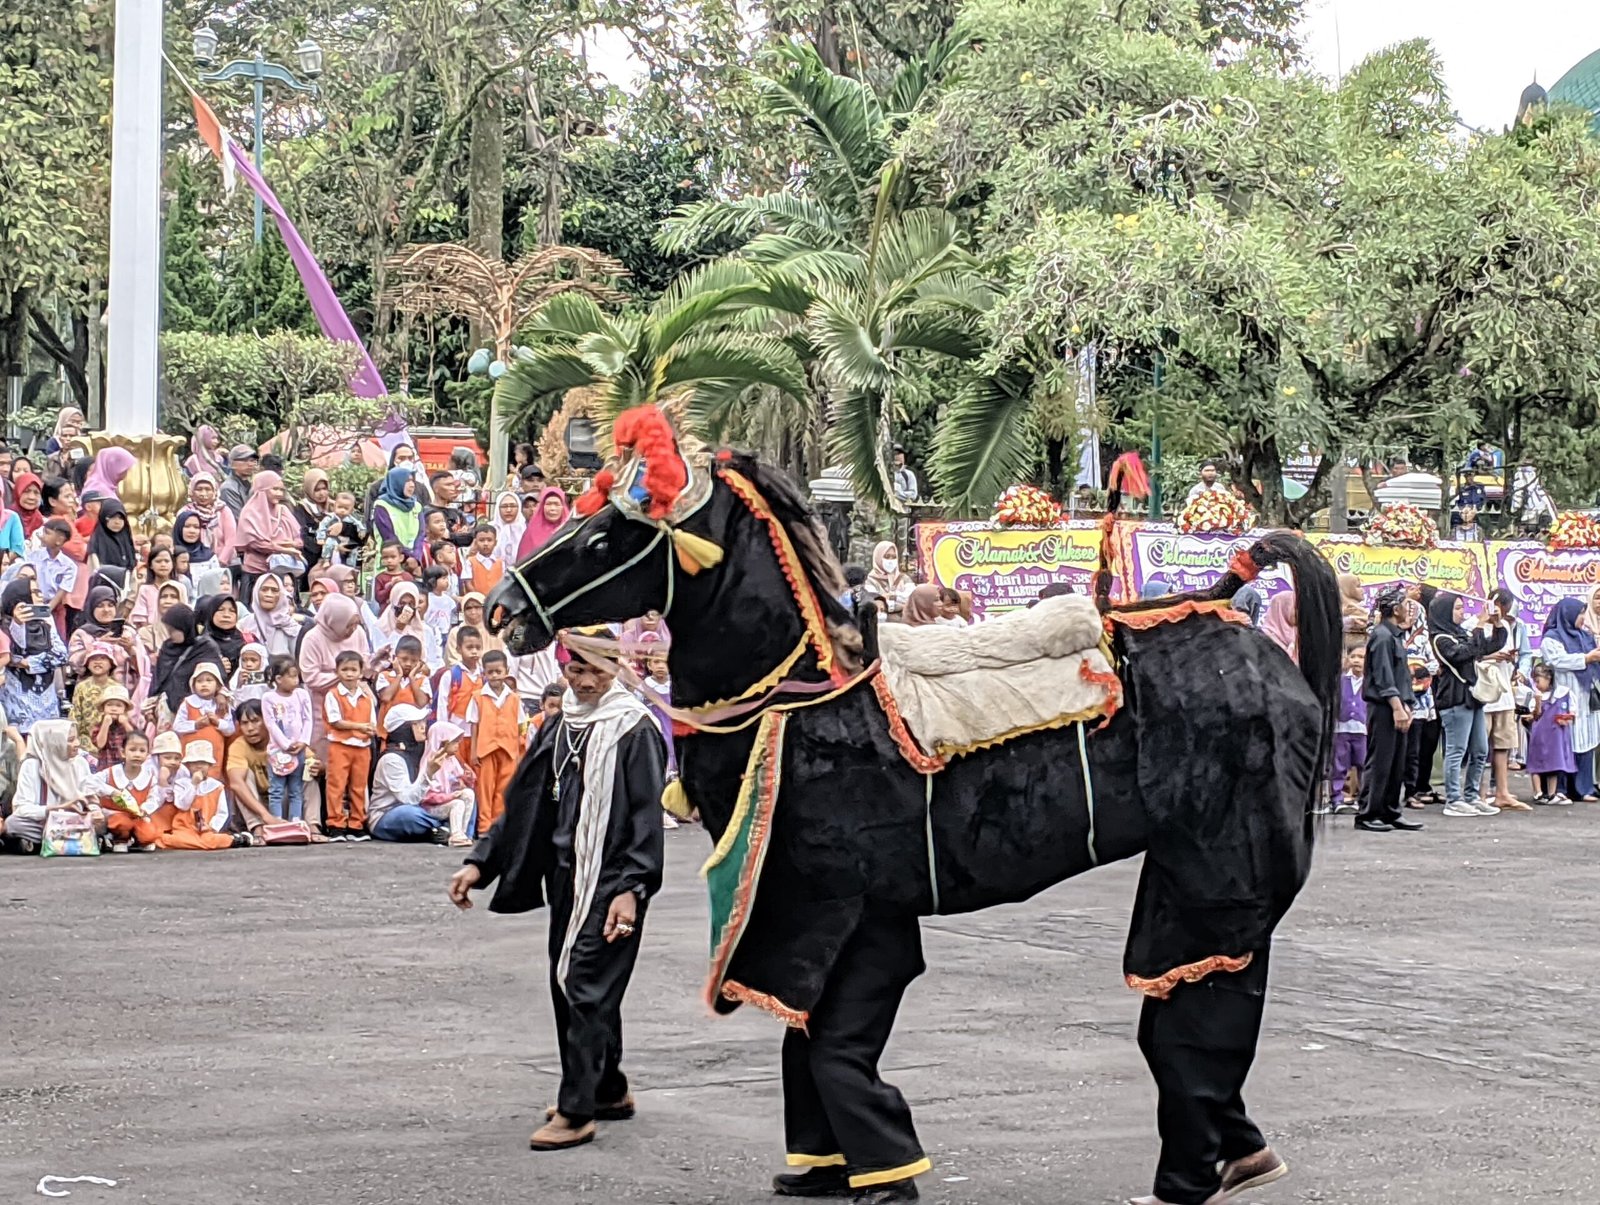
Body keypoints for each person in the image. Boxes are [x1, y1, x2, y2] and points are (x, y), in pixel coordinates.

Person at [448, 652, 666, 1153]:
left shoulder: (634, 729)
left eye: (598, 673)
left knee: (584, 985)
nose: (587, 682)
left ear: (617, 674)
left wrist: (632, 890)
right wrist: (481, 863)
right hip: (566, 877)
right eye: (577, 672)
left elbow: (644, 817)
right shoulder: (561, 722)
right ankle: (607, 1088)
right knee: (570, 983)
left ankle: (576, 1112)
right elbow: (525, 803)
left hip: (610, 881)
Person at [1429, 591, 1507, 818]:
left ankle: (1472, 796)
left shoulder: (1461, 633)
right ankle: (1454, 799)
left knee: (1481, 750)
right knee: (1456, 751)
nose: (1463, 612)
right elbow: (1463, 654)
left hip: (1473, 698)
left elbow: (1487, 647)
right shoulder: (1441, 639)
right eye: (1457, 608)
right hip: (1454, 700)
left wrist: (1497, 624)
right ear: (1445, 612)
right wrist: (1480, 625)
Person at [1355, 587, 1421, 833]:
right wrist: (1396, 705)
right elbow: (1383, 677)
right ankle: (1368, 812)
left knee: (1396, 762)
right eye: (1405, 604)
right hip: (1384, 707)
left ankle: (1390, 810)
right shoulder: (1382, 636)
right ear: (1395, 609)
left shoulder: (1394, 636)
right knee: (1381, 760)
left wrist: (1406, 704)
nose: (1408, 608)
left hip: (1398, 705)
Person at [369, 706, 474, 845]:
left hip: (419, 806)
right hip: (387, 814)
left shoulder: (420, 750)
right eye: (416, 723)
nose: (422, 727)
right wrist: (429, 773)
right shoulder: (391, 760)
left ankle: (459, 833)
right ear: (404, 729)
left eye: (422, 722)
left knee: (467, 795)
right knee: (408, 814)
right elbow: (408, 799)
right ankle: (442, 828)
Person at [1538, 597, 1600, 802]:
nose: (1582, 618)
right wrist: (1586, 658)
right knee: (1564, 741)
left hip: (1586, 696)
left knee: (1586, 740)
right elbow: (1556, 660)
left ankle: (1585, 788)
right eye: (1580, 613)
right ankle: (1561, 788)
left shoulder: (1584, 636)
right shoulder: (1552, 638)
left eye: (1584, 613)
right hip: (1563, 696)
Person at [297, 594, 371, 766]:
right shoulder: (313, 638)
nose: (353, 628)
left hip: (354, 703)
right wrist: (343, 675)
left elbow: (363, 660)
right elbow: (311, 677)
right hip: (322, 705)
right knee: (325, 759)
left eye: (355, 623)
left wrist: (374, 662)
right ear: (335, 620)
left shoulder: (358, 633)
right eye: (348, 624)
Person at [2, 720, 95, 851]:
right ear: (54, 743)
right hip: (43, 822)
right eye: (70, 740)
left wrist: (94, 810)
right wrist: (56, 809)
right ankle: (76, 840)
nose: (77, 744)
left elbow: (90, 797)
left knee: (104, 819)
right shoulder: (31, 766)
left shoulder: (80, 763)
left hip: (75, 821)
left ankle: (40, 843)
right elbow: (22, 808)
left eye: (76, 739)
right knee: (12, 824)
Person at [0, 578, 69, 737]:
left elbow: (61, 655)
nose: (40, 595)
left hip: (47, 700)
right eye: (34, 592)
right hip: (18, 700)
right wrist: (18, 624)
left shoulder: (45, 621)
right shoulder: (5, 626)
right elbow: (13, 650)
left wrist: (27, 663)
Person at [1479, 589, 1527, 811]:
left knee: (1503, 745)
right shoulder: (1475, 624)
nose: (1503, 614)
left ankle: (1502, 792)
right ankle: (1478, 794)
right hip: (1484, 695)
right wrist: (1491, 656)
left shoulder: (1505, 627)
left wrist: (1509, 659)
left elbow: (1507, 652)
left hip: (1504, 693)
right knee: (1479, 748)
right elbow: (1469, 653)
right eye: (1500, 607)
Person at [467, 649, 522, 836]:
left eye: (498, 671)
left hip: (508, 749)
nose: (494, 676)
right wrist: (473, 751)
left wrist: (519, 751)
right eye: (490, 672)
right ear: (484, 673)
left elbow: (520, 725)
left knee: (503, 789)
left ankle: (497, 828)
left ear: (506, 671)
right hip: (486, 749)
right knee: (485, 789)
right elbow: (474, 725)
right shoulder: (478, 697)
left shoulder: (514, 698)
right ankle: (484, 827)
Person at [323, 650, 377, 841]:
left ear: (361, 672)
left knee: (359, 786)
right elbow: (335, 720)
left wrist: (369, 730)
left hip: (362, 747)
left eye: (353, 669)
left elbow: (372, 723)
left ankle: (356, 823)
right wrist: (360, 727)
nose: (349, 673)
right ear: (337, 671)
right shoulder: (333, 695)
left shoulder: (367, 698)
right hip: (340, 745)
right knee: (336, 785)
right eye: (344, 669)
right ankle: (335, 823)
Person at [161, 739, 251, 850]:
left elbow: (222, 812)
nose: (199, 766)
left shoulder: (217, 786)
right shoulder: (181, 783)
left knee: (209, 841)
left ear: (209, 765)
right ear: (188, 765)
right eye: (194, 763)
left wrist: (212, 827)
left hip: (206, 829)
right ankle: (225, 841)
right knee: (171, 839)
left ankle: (234, 840)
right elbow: (182, 805)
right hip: (184, 828)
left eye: (203, 763)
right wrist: (193, 785)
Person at [148, 603, 223, 727]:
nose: (170, 634)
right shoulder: (167, 647)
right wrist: (151, 705)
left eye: (173, 630)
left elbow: (218, 676)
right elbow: (159, 679)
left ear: (185, 627)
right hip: (168, 712)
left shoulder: (205, 648)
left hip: (199, 712)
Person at [87, 729, 161, 851]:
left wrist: (146, 808)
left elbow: (155, 798)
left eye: (142, 751)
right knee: (121, 823)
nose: (137, 754)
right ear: (123, 752)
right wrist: (111, 791)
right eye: (132, 750)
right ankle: (117, 839)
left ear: (148, 755)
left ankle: (137, 840)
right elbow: (89, 782)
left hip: (137, 816)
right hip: (114, 816)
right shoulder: (111, 772)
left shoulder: (149, 777)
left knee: (149, 834)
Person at [235, 471, 303, 603]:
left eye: (281, 490)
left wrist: (292, 544)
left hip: (283, 570)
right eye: (274, 489)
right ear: (262, 490)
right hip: (256, 572)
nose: (279, 493)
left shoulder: (283, 510)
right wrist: (284, 548)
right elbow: (256, 543)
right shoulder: (250, 513)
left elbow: (298, 539)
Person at [262, 653, 312, 824]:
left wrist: (303, 742)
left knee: (296, 788)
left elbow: (307, 719)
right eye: (291, 676)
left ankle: (296, 820)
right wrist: (285, 744)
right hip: (278, 751)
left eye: (296, 676)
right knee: (276, 789)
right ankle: (276, 821)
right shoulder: (269, 698)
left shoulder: (302, 695)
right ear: (278, 678)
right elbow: (271, 724)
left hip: (299, 749)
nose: (295, 680)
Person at [223, 699, 282, 835]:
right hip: (254, 807)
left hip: (280, 801)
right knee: (243, 778)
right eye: (244, 723)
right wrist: (265, 815)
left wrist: (317, 766)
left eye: (255, 721)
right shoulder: (238, 746)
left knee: (307, 772)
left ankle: (313, 827)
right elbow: (236, 784)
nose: (250, 728)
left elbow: (316, 763)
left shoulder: (281, 738)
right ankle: (258, 829)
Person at [172, 662, 236, 770]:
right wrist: (195, 725)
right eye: (199, 681)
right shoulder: (188, 703)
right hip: (190, 755)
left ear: (218, 685)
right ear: (193, 685)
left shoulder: (221, 705)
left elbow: (230, 729)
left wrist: (218, 722)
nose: (204, 684)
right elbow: (177, 726)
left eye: (209, 680)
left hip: (214, 755)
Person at [1327, 648, 1366, 815]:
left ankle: (1365, 799)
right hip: (1341, 728)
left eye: (1361, 657)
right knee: (1339, 764)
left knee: (1364, 763)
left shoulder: (1371, 681)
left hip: (1362, 729)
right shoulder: (1340, 680)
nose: (1357, 660)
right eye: (1353, 656)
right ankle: (1338, 798)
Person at [28, 518, 79, 635]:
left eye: (47, 533)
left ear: (59, 540)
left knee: (56, 638)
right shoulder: (33, 556)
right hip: (31, 602)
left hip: (54, 607)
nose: (43, 536)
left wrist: (46, 610)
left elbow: (62, 591)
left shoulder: (69, 566)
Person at [376, 634, 433, 738]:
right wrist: (398, 676)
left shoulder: (422, 680)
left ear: (420, 662)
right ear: (395, 658)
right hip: (387, 734)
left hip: (414, 736)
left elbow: (421, 703)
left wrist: (412, 678)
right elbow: (386, 697)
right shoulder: (385, 676)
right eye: (404, 659)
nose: (408, 664)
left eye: (414, 661)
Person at [371, 467, 425, 562]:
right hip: (390, 562)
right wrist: (408, 556)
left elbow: (421, 534)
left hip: (414, 563)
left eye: (412, 481)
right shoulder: (382, 505)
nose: (412, 485)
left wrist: (416, 557)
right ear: (396, 482)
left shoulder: (417, 506)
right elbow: (389, 536)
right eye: (407, 481)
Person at [183, 474, 237, 567]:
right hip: (192, 563)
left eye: (208, 489)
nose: (203, 494)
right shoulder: (185, 512)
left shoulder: (223, 511)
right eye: (199, 489)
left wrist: (220, 562)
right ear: (192, 491)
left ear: (214, 491)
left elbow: (231, 539)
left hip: (221, 563)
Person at [241, 572, 299, 657]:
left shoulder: (291, 627)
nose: (269, 594)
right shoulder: (244, 625)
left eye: (275, 590)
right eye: (264, 589)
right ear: (256, 592)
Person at [292, 468, 332, 580]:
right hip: (309, 559)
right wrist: (320, 546)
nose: (322, 493)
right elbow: (301, 534)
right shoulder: (300, 509)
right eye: (317, 490)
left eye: (324, 488)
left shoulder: (334, 507)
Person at [197, 594, 246, 679]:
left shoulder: (246, 640)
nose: (226, 615)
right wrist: (214, 666)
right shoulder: (201, 644)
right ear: (211, 612)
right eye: (220, 610)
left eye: (232, 610)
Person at [517, 487, 571, 560]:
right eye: (548, 504)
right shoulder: (531, 532)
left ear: (563, 507)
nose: (552, 508)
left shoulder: (570, 531)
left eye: (557, 504)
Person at [88, 499, 138, 574]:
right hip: (103, 581)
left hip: (125, 582)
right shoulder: (97, 540)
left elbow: (132, 566)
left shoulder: (126, 539)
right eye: (112, 517)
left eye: (121, 518)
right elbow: (95, 569)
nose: (117, 522)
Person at [863, 542, 914, 615]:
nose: (890, 561)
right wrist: (901, 604)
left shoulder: (904, 578)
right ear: (878, 557)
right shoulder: (870, 580)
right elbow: (874, 601)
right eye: (887, 557)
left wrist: (892, 597)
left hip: (904, 619)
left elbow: (912, 598)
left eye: (894, 557)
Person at [463, 524, 505, 597]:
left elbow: (503, 583)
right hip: (477, 602)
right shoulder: (470, 562)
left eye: (489, 540)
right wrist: (478, 598)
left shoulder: (501, 563)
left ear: (495, 543)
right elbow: (468, 583)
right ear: (476, 542)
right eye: (481, 540)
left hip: (496, 602)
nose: (486, 544)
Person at [219, 446, 259, 519]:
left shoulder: (250, 485)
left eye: (252, 460)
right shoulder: (228, 489)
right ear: (232, 463)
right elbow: (239, 519)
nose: (250, 464)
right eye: (244, 460)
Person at [1260, 592, 1298, 664]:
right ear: (1282, 607)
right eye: (1295, 608)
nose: (1299, 612)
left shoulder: (1301, 633)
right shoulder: (1263, 638)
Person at [492, 491, 526, 565]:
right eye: (504, 506)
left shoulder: (525, 529)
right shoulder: (490, 529)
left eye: (513, 506)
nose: (509, 510)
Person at [13, 472, 44, 541]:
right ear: (18, 492)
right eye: (26, 491)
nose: (31, 497)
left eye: (36, 493)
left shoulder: (39, 519)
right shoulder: (7, 517)